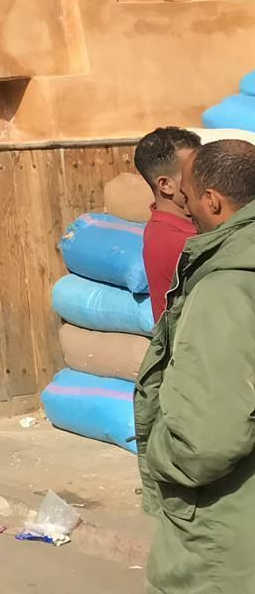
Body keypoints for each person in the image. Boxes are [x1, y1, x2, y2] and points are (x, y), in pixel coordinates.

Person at [136, 139, 255, 594]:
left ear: (213, 201)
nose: (183, 206)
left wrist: (158, 453)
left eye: (188, 195)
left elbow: (208, 441)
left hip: (225, 543)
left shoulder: (224, 290)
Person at [136, 126, 202, 321]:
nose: (207, 178)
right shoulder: (177, 242)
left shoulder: (184, 227)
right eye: (195, 173)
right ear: (166, 185)